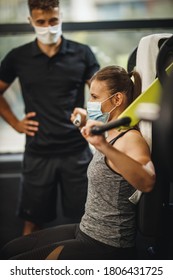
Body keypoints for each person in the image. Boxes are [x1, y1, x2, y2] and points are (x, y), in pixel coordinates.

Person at [0, 65, 156, 260]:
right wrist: (83, 124)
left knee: (14, 267)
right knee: (9, 250)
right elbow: (103, 152)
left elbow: (147, 181)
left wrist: (104, 147)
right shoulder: (110, 132)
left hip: (107, 243)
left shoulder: (130, 138)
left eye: (95, 97)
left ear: (117, 99)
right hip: (86, 229)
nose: (89, 102)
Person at [0, 0, 100, 235]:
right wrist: (15, 123)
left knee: (88, 221)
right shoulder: (18, 56)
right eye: (41, 22)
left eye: (53, 20)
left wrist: (89, 114)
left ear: (61, 16)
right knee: (32, 223)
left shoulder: (82, 53)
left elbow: (102, 96)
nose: (48, 26)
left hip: (77, 153)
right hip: (38, 154)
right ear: (31, 21)